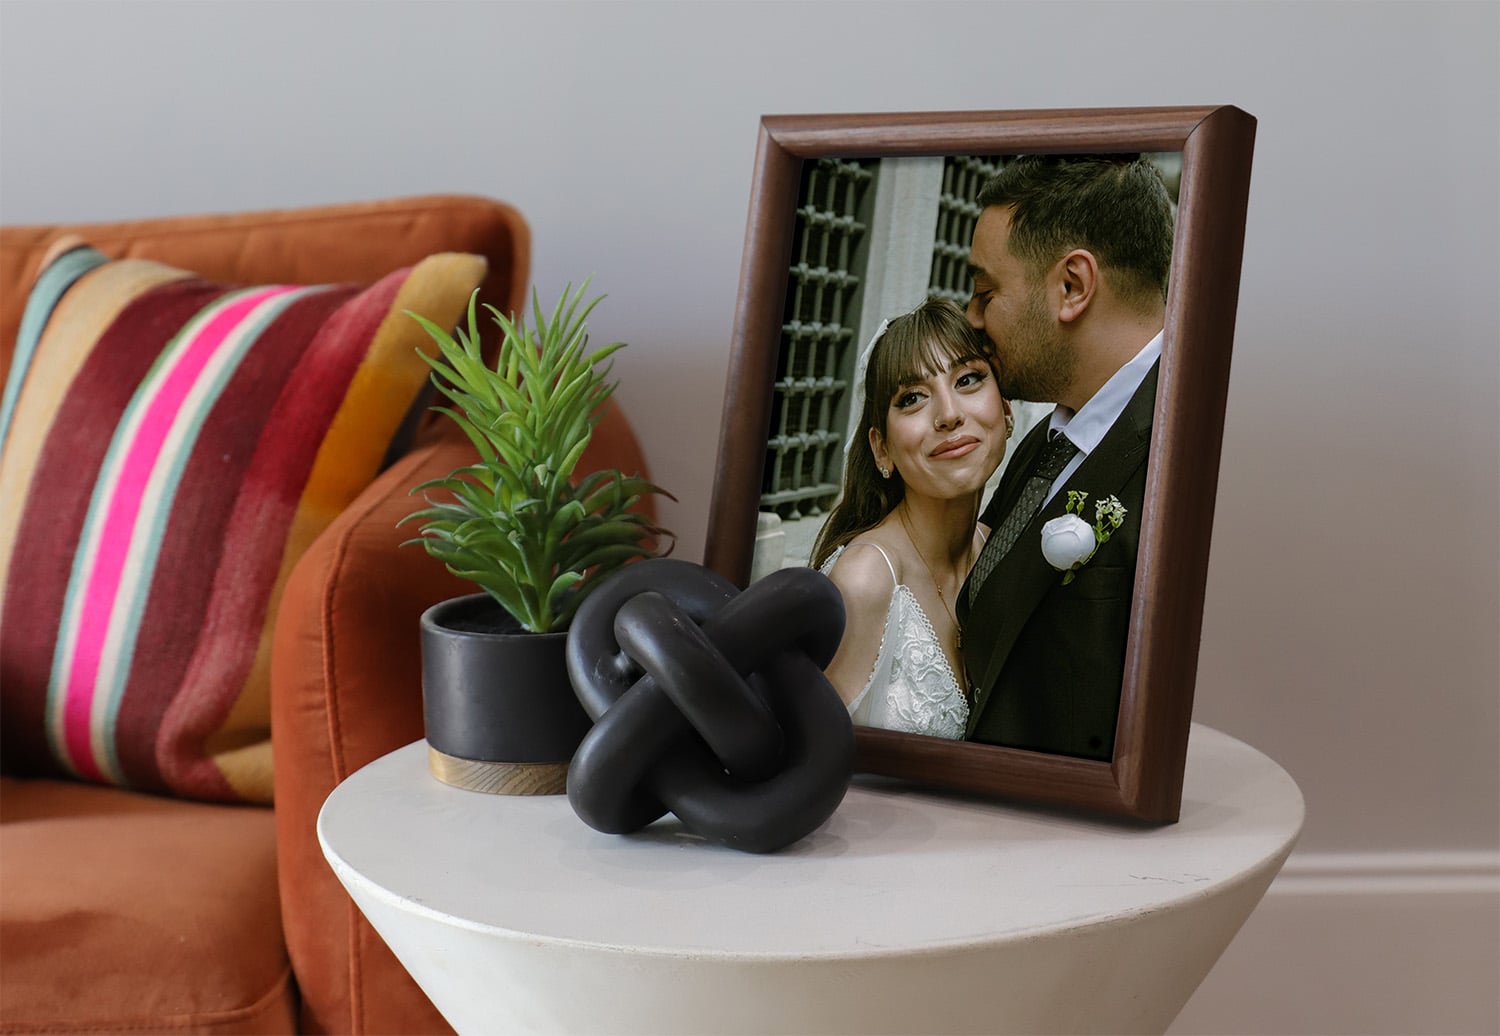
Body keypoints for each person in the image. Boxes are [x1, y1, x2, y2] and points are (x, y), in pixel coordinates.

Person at [958, 154, 1174, 760]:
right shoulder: (1045, 440)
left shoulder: (1183, 457)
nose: (971, 317)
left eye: (984, 291)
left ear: (1072, 287)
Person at [811, 297, 1013, 739]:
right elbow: (811, 760)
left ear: (1007, 411)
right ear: (881, 448)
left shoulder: (997, 552)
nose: (949, 415)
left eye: (968, 379)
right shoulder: (865, 579)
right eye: (913, 398)